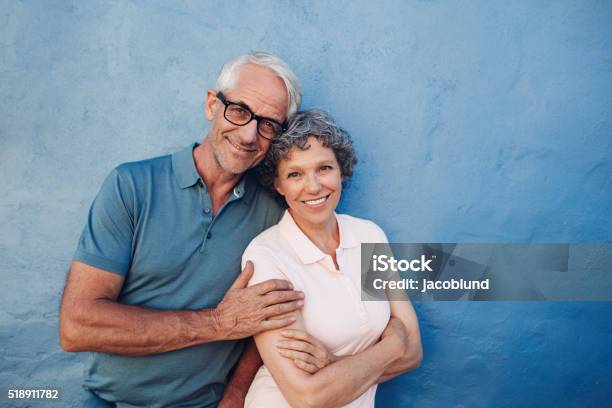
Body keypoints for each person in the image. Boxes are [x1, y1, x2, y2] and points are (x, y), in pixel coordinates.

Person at [59, 52, 310, 408]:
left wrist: (237, 392)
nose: (249, 134)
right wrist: (219, 323)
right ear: (212, 105)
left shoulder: (278, 214)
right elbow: (77, 327)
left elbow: (270, 313)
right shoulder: (131, 186)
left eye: (269, 124)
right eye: (239, 110)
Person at [240, 110, 423, 407]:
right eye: (295, 174)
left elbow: (414, 353)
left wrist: (334, 363)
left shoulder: (368, 237)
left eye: (324, 168)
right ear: (279, 185)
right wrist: (393, 344)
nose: (313, 186)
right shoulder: (267, 256)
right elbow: (308, 396)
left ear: (341, 171)